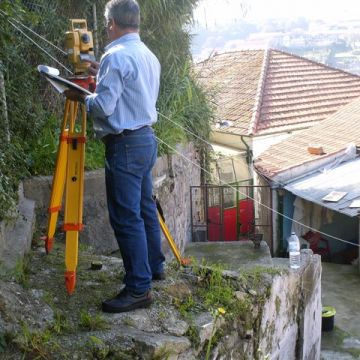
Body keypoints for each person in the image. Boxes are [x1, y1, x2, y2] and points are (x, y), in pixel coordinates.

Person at [65, 0, 165, 313]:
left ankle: (138, 289)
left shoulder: (115, 56)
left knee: (126, 216)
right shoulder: (147, 55)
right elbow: (131, 91)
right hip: (146, 139)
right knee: (145, 208)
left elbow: (104, 106)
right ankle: (154, 267)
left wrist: (79, 94)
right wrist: (103, 74)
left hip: (124, 145)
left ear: (111, 24)